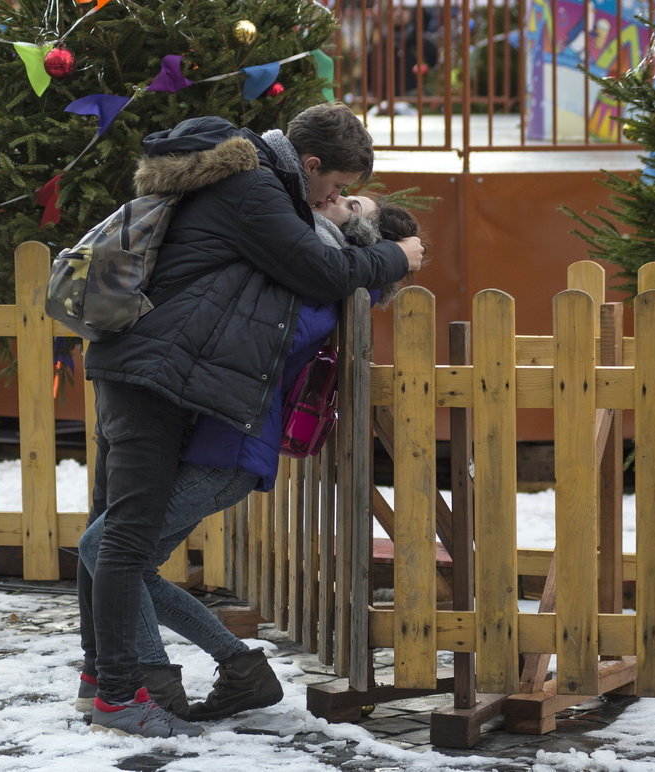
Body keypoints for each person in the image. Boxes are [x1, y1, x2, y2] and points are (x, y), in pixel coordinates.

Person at [77, 103, 425, 738]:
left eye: (350, 205)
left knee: (111, 544)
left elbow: (328, 282)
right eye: (340, 191)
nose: (337, 202)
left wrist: (378, 264)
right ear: (312, 166)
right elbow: (325, 272)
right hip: (163, 384)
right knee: (115, 545)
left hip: (213, 426)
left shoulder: (290, 251)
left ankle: (133, 682)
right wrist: (397, 256)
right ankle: (138, 682)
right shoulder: (262, 199)